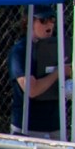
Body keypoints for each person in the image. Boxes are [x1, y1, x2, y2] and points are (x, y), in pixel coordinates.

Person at [10, 9, 63, 137]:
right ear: (28, 23)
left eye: (52, 20)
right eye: (43, 20)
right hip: (28, 127)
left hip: (54, 125)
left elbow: (60, 85)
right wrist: (57, 73)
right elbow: (31, 89)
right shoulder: (20, 51)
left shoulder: (58, 48)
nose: (49, 25)